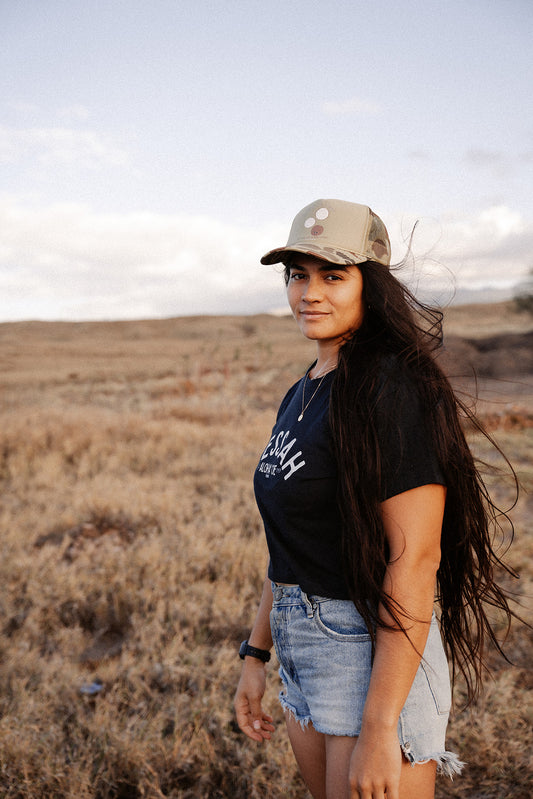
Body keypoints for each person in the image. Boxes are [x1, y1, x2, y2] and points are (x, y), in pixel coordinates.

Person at [234, 199, 516, 799]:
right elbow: (287, 539)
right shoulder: (304, 391)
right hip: (302, 640)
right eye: (298, 275)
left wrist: (381, 726)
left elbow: (415, 560)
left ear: (373, 285)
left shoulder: (391, 388)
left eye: (333, 275)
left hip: (370, 648)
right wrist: (256, 654)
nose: (310, 292)